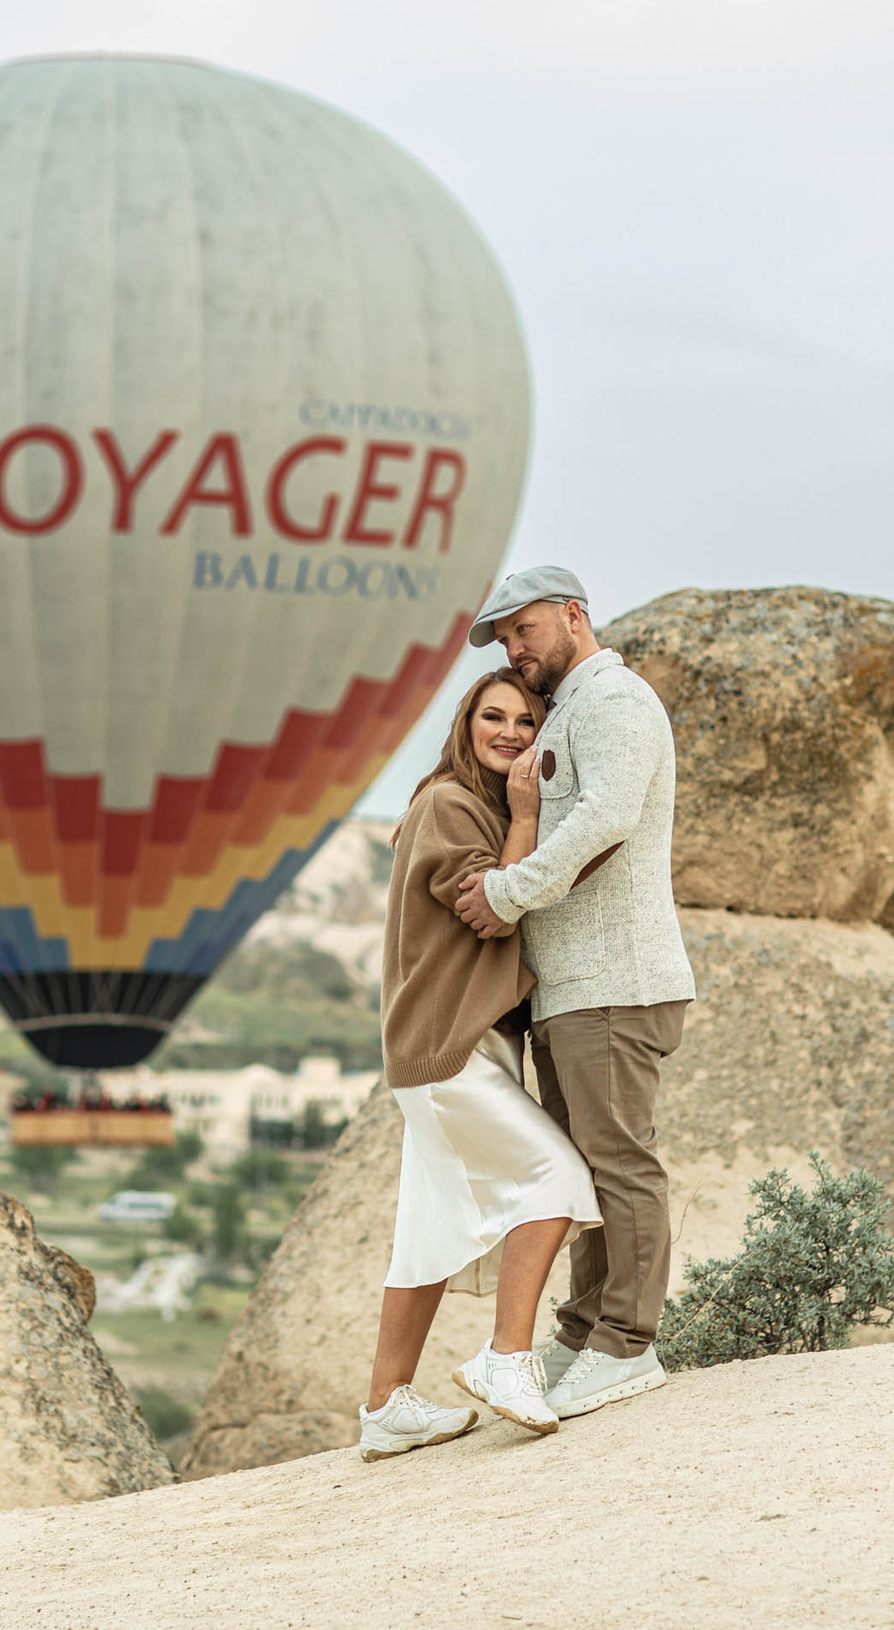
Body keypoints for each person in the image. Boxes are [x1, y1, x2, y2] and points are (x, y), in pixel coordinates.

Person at [452, 566, 695, 1421]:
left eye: (524, 631)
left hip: (615, 983)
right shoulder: (569, 713)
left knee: (620, 1161)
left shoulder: (615, 703)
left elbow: (606, 820)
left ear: (573, 617)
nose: (515, 652)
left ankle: (627, 1343)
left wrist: (508, 893)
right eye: (504, 640)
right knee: (581, 1168)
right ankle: (585, 1325)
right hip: (574, 989)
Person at [357, 666, 602, 1462]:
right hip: (447, 1047)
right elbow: (489, 907)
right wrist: (529, 814)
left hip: (452, 1045)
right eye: (491, 716)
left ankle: (386, 1406)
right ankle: (507, 1358)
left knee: (426, 1230)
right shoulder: (447, 804)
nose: (509, 731)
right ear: (465, 726)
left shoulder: (468, 806)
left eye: (526, 721)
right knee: (558, 1178)